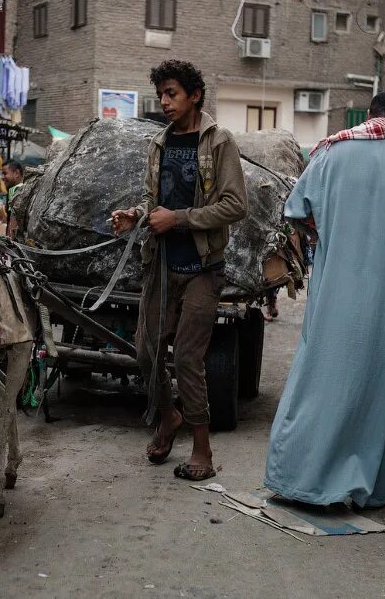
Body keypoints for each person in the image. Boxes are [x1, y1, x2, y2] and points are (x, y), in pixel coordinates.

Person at [263, 90, 385, 508]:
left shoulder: (332, 154)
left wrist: (329, 227)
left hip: (335, 298)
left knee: (319, 380)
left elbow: (295, 211)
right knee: (380, 391)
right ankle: (368, 491)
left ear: (371, 116)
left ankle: (298, 480)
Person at [111, 59, 247, 481]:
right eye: (161, 95)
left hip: (203, 267)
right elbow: (157, 202)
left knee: (188, 358)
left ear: (195, 95)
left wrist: (180, 219)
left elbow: (234, 205)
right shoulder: (159, 144)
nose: (165, 102)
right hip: (162, 266)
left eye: (172, 93)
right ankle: (168, 416)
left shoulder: (218, 141)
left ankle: (202, 447)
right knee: (146, 351)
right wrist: (137, 215)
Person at [1, 160, 24, 238]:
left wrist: (10, 239)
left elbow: (13, 218)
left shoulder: (17, 190)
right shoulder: (21, 188)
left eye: (5, 173)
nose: (2, 177)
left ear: (16, 173)